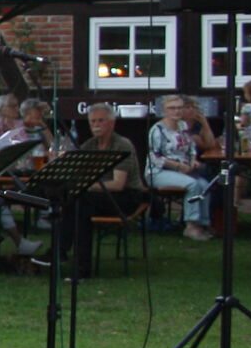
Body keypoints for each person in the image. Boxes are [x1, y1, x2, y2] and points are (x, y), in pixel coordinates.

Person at [61, 102, 149, 279]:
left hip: (127, 196)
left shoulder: (122, 144)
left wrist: (85, 185)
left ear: (112, 122)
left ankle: (63, 254)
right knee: (77, 205)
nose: (96, 125)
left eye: (101, 121)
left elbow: (118, 184)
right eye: (93, 121)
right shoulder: (89, 145)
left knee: (79, 203)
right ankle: (76, 264)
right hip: (97, 197)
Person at [146, 94, 218, 240]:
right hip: (158, 172)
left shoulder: (183, 126)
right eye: (172, 108)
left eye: (179, 108)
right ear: (165, 110)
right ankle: (191, 225)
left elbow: (191, 149)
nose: (176, 111)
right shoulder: (158, 130)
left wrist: (192, 161)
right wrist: (179, 166)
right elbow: (155, 157)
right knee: (193, 184)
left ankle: (203, 223)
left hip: (182, 170)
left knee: (205, 185)